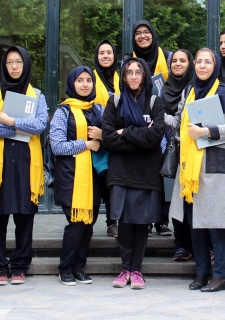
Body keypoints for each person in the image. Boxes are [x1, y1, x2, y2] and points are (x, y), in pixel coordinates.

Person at [170, 48, 225, 293]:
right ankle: (202, 271)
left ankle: (221, 274)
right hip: (190, 168)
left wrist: (206, 132)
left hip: (214, 166)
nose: (202, 66)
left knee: (216, 224)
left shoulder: (223, 92)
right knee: (195, 223)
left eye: (207, 62)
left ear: (215, 66)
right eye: (198, 61)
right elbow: (179, 121)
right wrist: (158, 118)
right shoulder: (188, 92)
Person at [0, 46, 48, 286]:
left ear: (26, 64)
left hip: (26, 164)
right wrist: (20, 127)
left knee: (24, 218)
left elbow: (39, 126)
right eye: (9, 62)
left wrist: (8, 120)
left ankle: (20, 265)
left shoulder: (37, 95)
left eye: (18, 62)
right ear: (4, 65)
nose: (14, 67)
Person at [102, 58, 166, 290]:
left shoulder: (154, 102)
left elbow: (156, 137)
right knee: (125, 222)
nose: (133, 76)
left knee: (141, 223)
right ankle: (125, 268)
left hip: (147, 173)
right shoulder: (115, 101)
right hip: (121, 172)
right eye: (129, 72)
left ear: (145, 75)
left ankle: (136, 269)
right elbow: (109, 138)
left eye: (138, 72)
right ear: (123, 76)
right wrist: (140, 136)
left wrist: (125, 132)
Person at [49, 66, 104, 286]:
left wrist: (101, 137)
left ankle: (79, 268)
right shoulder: (63, 111)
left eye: (88, 80)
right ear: (72, 84)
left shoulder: (99, 109)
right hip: (70, 177)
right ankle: (66, 268)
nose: (84, 84)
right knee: (76, 223)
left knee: (89, 223)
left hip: (94, 176)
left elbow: (108, 138)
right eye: (79, 80)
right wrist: (86, 144)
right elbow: (57, 146)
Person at [161, 49, 195, 261]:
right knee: (177, 200)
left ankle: (198, 244)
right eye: (175, 61)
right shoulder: (164, 90)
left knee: (195, 200)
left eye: (183, 60)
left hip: (196, 151)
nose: (178, 64)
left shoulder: (197, 88)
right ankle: (182, 245)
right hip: (173, 151)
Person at [92, 39, 121, 238]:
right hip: (94, 139)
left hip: (117, 139)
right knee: (97, 182)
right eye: (101, 53)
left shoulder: (122, 78)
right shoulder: (89, 78)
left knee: (113, 182)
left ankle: (113, 222)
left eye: (109, 52)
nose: (105, 56)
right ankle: (88, 223)